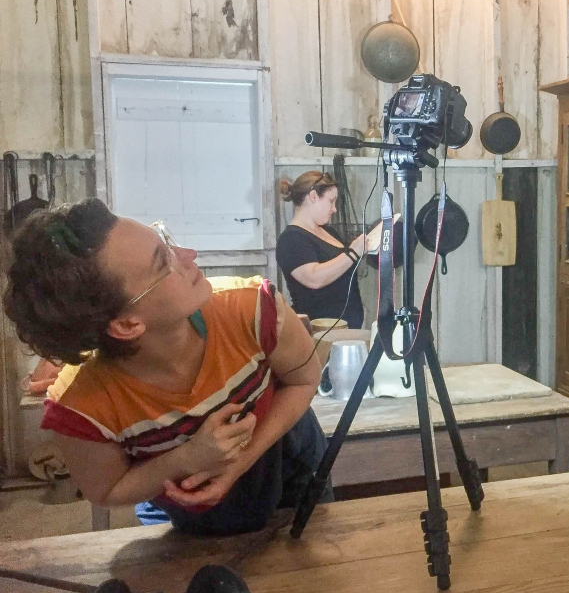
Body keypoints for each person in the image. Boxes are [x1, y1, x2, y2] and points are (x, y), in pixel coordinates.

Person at [2, 199, 332, 536]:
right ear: (127, 324)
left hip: (290, 470)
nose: (189, 255)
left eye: (167, 241)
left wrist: (237, 463)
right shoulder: (80, 405)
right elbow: (107, 490)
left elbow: (304, 381)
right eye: (164, 262)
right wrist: (187, 458)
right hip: (177, 507)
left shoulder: (254, 309)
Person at [276, 171, 381, 329]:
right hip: (319, 332)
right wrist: (352, 253)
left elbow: (341, 265)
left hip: (347, 329)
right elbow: (314, 278)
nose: (334, 209)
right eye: (331, 201)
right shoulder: (291, 239)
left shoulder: (329, 231)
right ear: (313, 196)